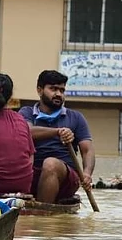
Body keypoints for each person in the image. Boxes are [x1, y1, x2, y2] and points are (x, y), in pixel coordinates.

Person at [18, 70, 95, 204]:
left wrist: (87, 173)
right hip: (31, 175)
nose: (58, 94)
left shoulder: (76, 117)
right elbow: (27, 132)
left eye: (62, 90)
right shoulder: (27, 113)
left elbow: (87, 150)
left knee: (50, 164)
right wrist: (57, 132)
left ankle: (44, 213)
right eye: (53, 89)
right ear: (39, 90)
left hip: (66, 178)